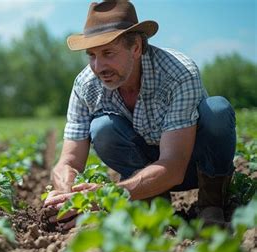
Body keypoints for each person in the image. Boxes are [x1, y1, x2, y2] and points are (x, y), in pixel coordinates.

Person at [43, 0, 236, 229]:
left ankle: (211, 205)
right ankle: (153, 203)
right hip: (143, 175)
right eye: (91, 55)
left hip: (190, 166)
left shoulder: (178, 73)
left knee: (217, 111)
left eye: (108, 53)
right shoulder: (86, 85)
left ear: (135, 48)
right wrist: (68, 197)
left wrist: (107, 196)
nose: (98, 66)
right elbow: (68, 161)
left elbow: (174, 166)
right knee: (103, 128)